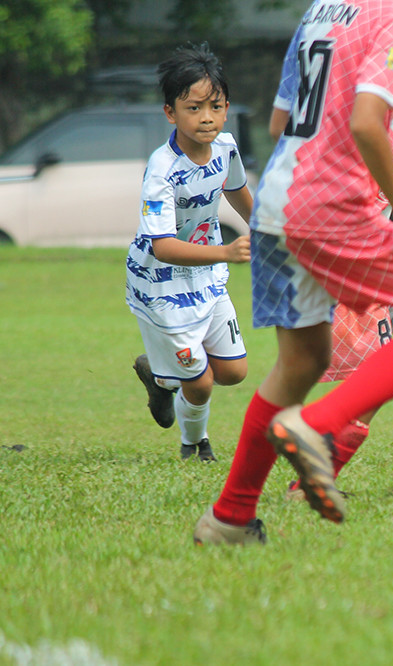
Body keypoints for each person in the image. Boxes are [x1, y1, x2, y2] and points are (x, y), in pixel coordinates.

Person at [193, 0, 393, 546]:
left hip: (277, 205)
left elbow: (279, 122)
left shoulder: (320, 12)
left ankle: (229, 518)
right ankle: (316, 428)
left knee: (300, 365)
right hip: (333, 210)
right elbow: (367, 121)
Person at [265, 34, 393, 500]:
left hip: (366, 250)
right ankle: (307, 482)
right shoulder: (359, 118)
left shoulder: (379, 113)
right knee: (373, 383)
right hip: (348, 259)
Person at [127, 43, 254, 463]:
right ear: (171, 113)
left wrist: (266, 231)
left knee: (233, 372)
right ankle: (195, 446)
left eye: (215, 107)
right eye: (194, 108)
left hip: (205, 274)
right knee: (199, 383)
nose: (206, 117)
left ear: (227, 109)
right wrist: (225, 252)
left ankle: (161, 379)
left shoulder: (226, 148)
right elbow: (162, 247)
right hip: (160, 282)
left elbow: (236, 190)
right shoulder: (162, 169)